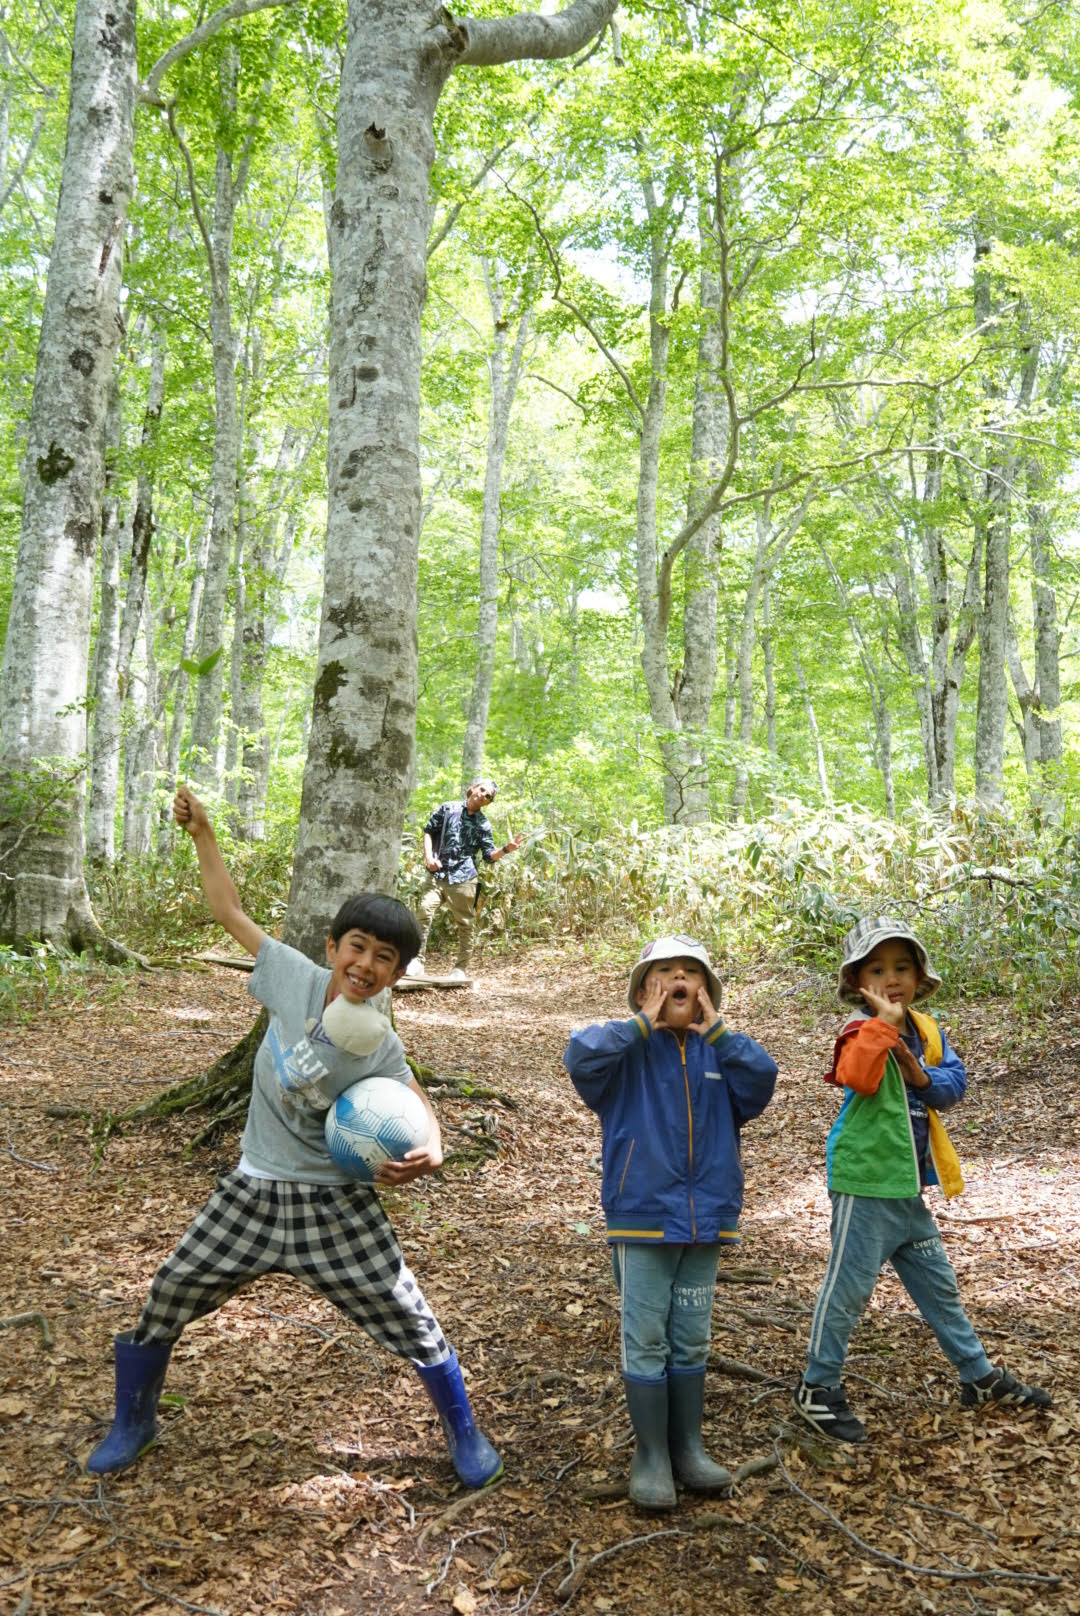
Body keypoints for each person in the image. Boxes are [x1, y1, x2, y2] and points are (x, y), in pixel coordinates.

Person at [86, 787, 501, 1490]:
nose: (366, 965)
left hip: (334, 1204)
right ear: (333, 948)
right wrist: (205, 834)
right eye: (357, 947)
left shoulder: (379, 1041)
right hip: (252, 1190)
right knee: (170, 1290)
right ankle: (134, 1419)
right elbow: (228, 911)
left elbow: (414, 1096)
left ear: (398, 976)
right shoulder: (295, 981)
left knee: (409, 1315)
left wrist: (435, 1145)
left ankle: (464, 1433)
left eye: (385, 959)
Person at [793, 916, 1052, 1444]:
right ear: (859, 982)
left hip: (907, 1188)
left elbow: (953, 1086)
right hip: (867, 1180)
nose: (893, 979)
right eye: (878, 969)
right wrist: (884, 1028)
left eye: (903, 967)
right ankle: (816, 1388)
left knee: (939, 1287)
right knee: (847, 1291)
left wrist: (919, 1072)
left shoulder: (928, 1030)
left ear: (918, 976)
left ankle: (978, 1377)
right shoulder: (857, 1031)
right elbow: (859, 1079)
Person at [563, 936, 778, 1509]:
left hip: (707, 1217)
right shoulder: (621, 1053)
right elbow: (578, 1056)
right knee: (647, 1334)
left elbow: (761, 1083)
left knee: (691, 1334)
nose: (679, 981)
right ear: (642, 992)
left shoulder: (719, 1054)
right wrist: (640, 1024)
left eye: (691, 974)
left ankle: (688, 1447)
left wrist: (720, 1034)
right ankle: (651, 1454)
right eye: (665, 973)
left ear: (707, 994)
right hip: (643, 1216)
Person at [406, 779, 524, 980]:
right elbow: (429, 831)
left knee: (464, 923)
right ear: (474, 789)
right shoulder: (448, 808)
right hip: (438, 873)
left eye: (488, 796)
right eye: (482, 790)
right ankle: (416, 962)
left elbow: (488, 856)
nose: (483, 795)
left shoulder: (483, 824)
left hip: (464, 878)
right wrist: (428, 857)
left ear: (488, 803)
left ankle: (460, 968)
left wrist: (506, 849)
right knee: (424, 913)